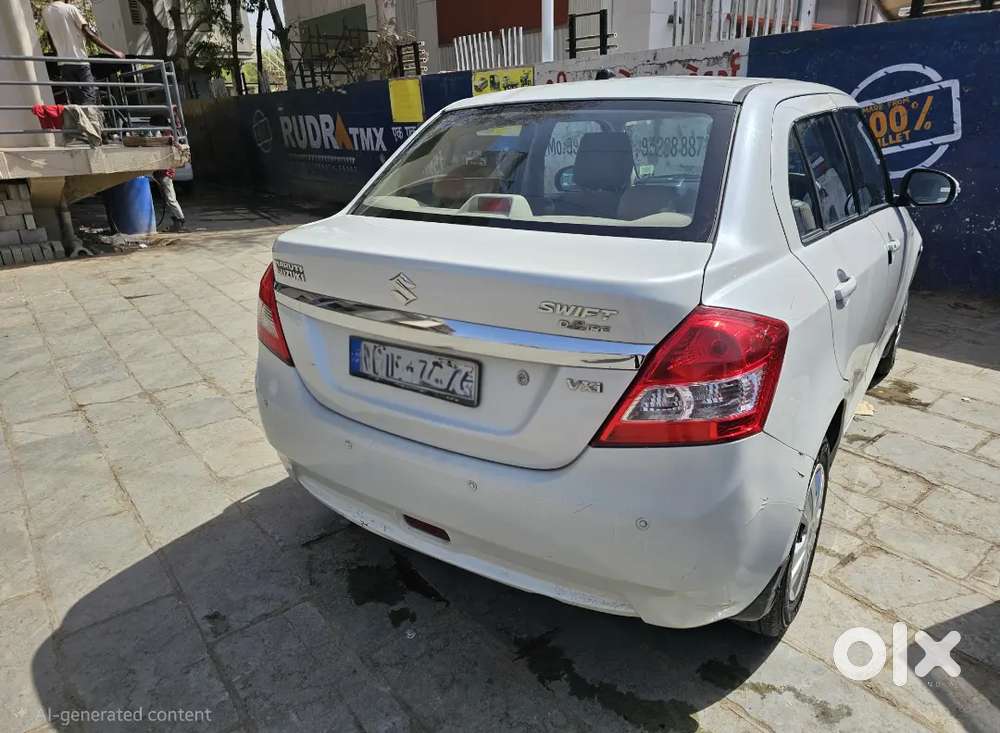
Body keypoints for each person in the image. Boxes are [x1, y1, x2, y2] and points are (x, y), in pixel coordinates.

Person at [41, 1, 124, 107]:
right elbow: (88, 33)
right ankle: (91, 122)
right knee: (90, 96)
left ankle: (83, 122)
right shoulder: (70, 9)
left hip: (63, 64)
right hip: (79, 61)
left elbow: (49, 37)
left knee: (77, 99)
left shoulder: (46, 12)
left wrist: (58, 53)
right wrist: (113, 51)